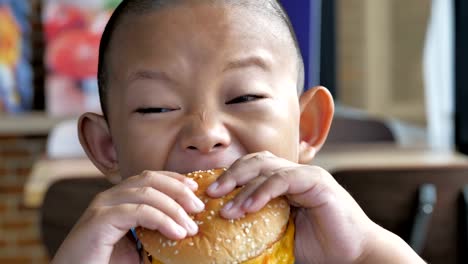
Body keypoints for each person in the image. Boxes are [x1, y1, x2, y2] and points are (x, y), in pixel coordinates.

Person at [51, 0, 426, 263]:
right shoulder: (101, 256)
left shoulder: (339, 250)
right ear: (107, 145)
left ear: (306, 126)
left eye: (245, 96)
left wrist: (363, 253)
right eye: (156, 107)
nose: (206, 132)